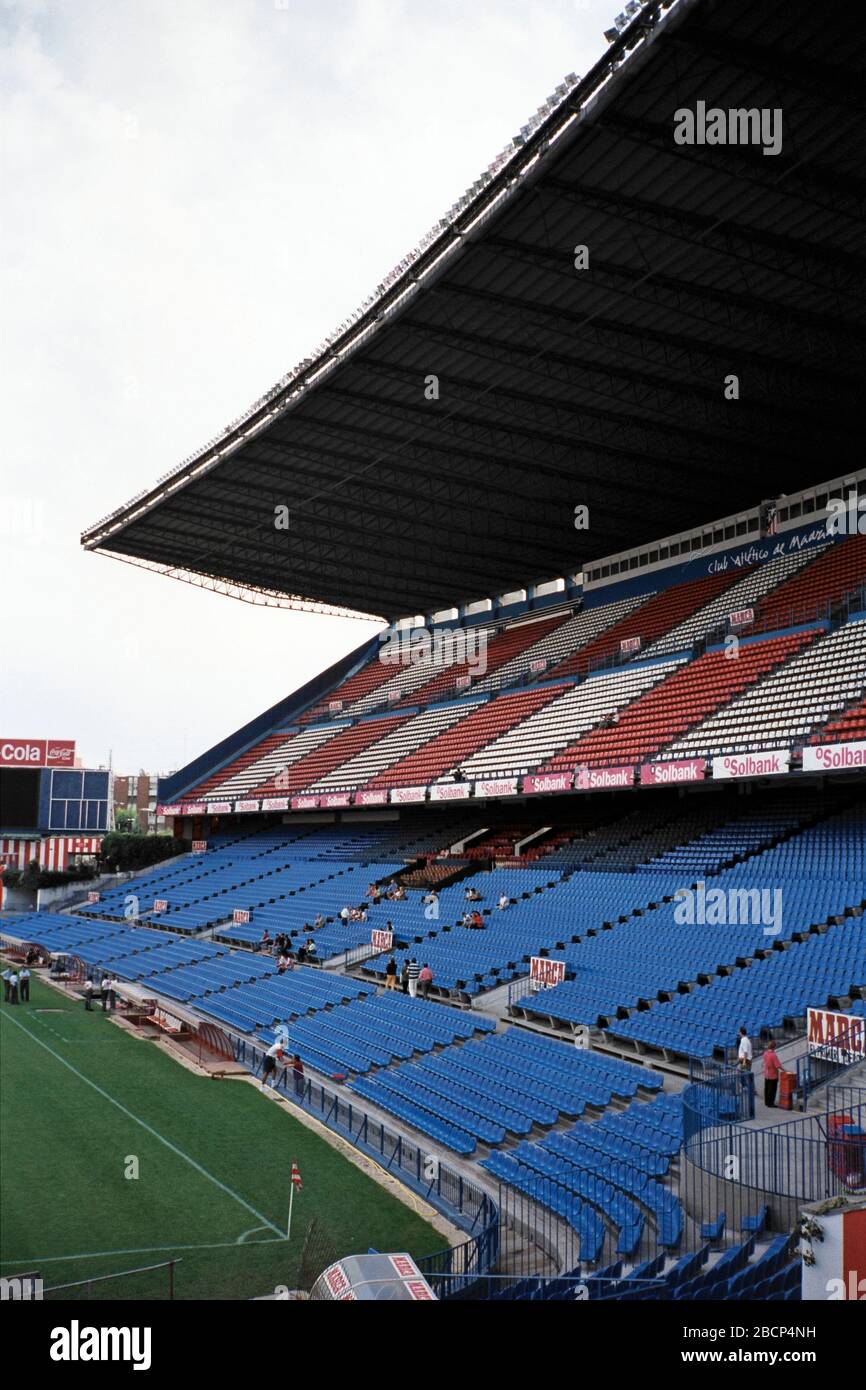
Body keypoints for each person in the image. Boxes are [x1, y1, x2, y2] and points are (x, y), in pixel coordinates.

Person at [762, 1043, 782, 1108]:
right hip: (773, 1074)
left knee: (766, 1088)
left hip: (766, 1074)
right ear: (774, 1047)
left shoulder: (765, 1053)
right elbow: (778, 1066)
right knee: (772, 1090)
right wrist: (786, 1070)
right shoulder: (773, 1055)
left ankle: (767, 1102)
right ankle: (771, 1103)